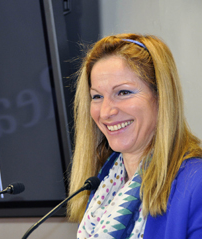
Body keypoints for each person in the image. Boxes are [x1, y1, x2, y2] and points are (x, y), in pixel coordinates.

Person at [67, 33, 202, 239]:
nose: (105, 112)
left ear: (161, 96)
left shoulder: (196, 184)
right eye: (97, 96)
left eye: (123, 92)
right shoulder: (104, 185)